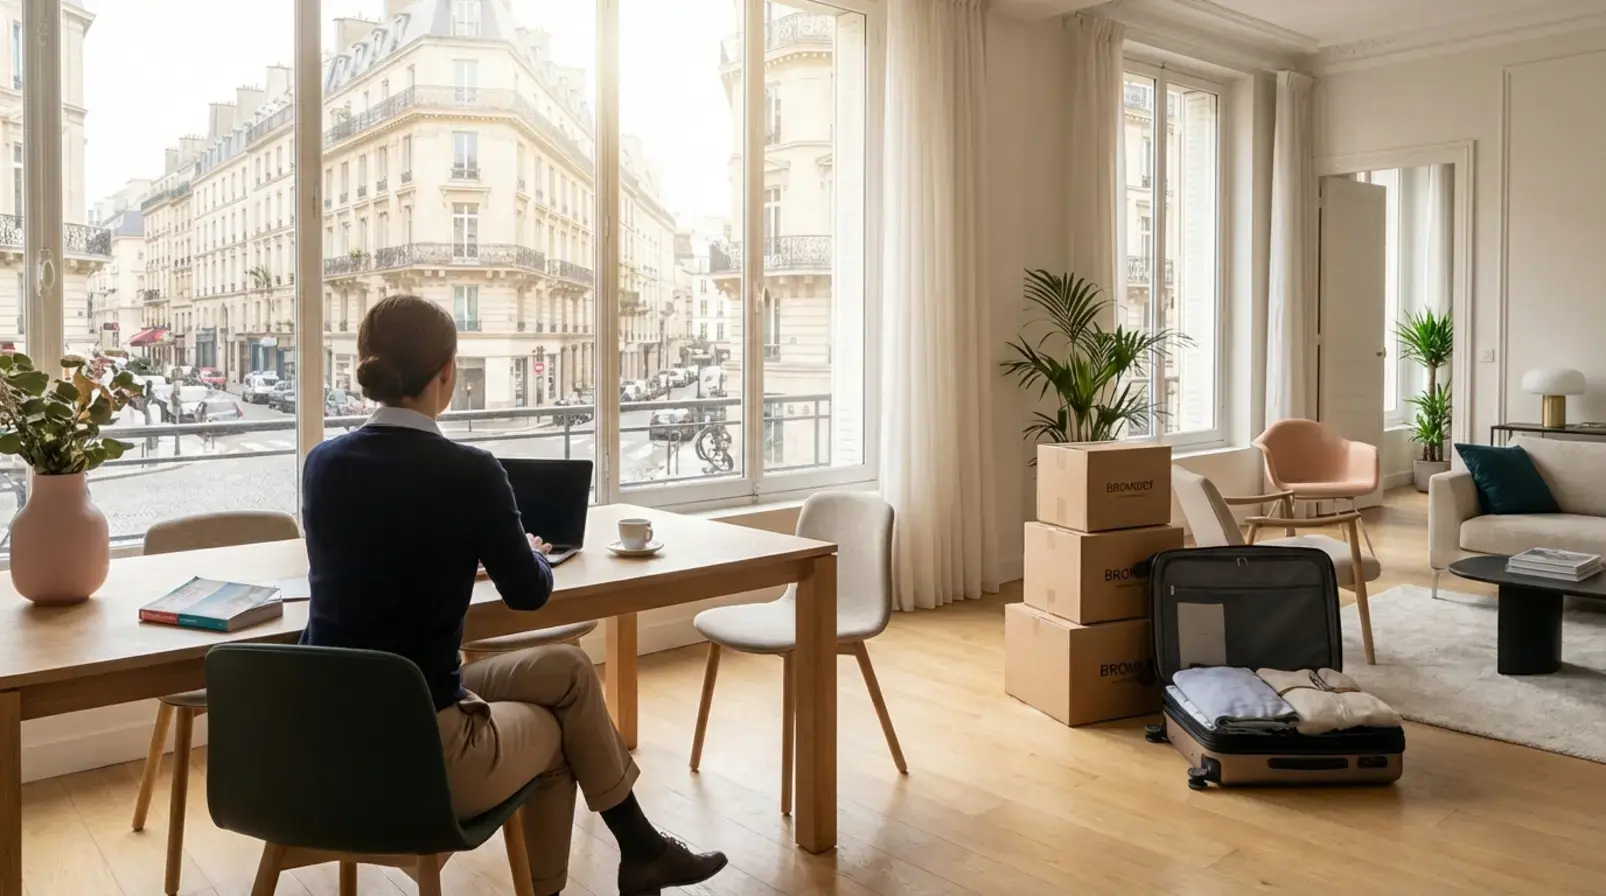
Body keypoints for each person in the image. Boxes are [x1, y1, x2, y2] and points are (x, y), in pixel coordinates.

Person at [300, 294, 727, 896]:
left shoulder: (321, 464)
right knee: (558, 731)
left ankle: (643, 850)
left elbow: (384, 554)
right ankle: (561, 885)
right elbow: (529, 594)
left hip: (327, 745)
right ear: (447, 372)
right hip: (424, 755)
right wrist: (524, 547)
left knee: (568, 668)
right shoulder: (468, 470)